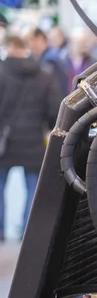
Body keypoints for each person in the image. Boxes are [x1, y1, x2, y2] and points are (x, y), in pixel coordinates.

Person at [0, 35, 62, 240]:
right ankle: (27, 230)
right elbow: (55, 110)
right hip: (34, 140)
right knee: (33, 187)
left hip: (4, 140)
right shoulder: (44, 75)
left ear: (9, 48)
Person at [27, 27, 70, 96]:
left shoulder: (49, 60)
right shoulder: (50, 55)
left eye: (29, 40)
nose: (28, 45)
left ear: (39, 39)